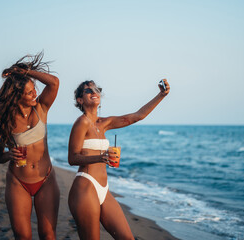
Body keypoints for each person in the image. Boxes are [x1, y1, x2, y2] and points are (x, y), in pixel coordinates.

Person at [68, 79, 170, 239]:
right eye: (88, 91)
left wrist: (161, 95)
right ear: (80, 100)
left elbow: (137, 116)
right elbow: (72, 158)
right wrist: (100, 157)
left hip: (104, 189)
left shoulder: (104, 123)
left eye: (96, 89)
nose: (94, 92)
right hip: (85, 188)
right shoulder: (81, 123)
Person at [0, 53, 60, 240]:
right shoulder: (3, 120)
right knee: (23, 236)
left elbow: (54, 83)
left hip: (46, 180)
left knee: (48, 234)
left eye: (34, 89)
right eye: (29, 92)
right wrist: (8, 156)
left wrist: (25, 71)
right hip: (18, 182)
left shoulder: (41, 107)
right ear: (16, 96)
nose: (35, 93)